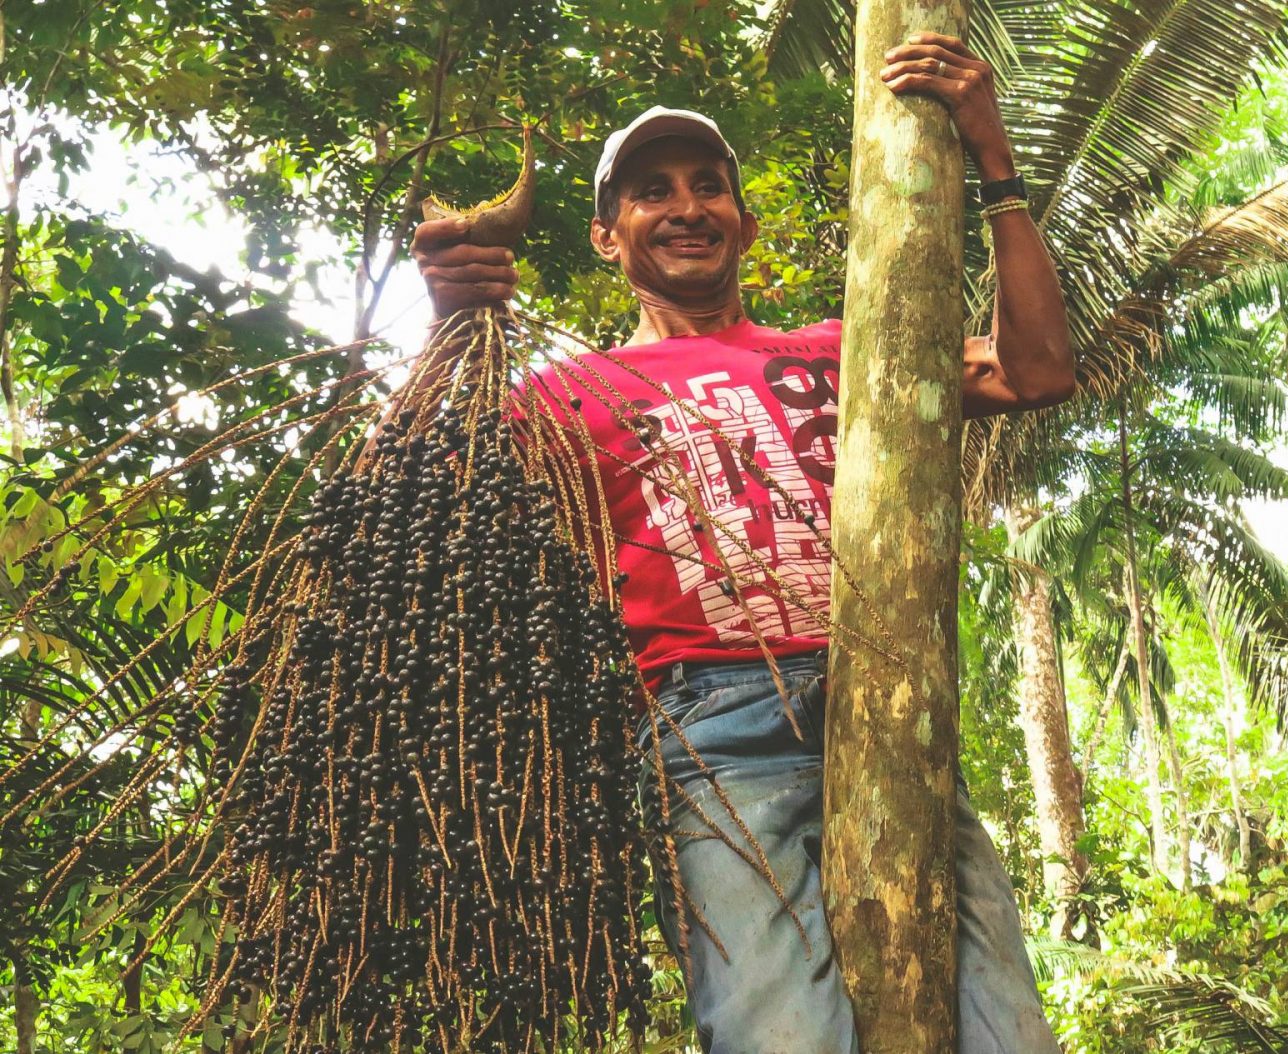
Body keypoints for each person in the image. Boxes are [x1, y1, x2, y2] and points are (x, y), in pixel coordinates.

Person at [412, 32, 1076, 1054]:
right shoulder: (563, 396)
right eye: (651, 193)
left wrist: (995, 163)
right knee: (780, 1037)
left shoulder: (848, 346)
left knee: (1006, 1037)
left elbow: (1036, 370)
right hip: (714, 732)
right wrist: (450, 330)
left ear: (743, 220)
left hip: (887, 691)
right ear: (606, 236)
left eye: (706, 185)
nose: (685, 206)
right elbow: (422, 503)